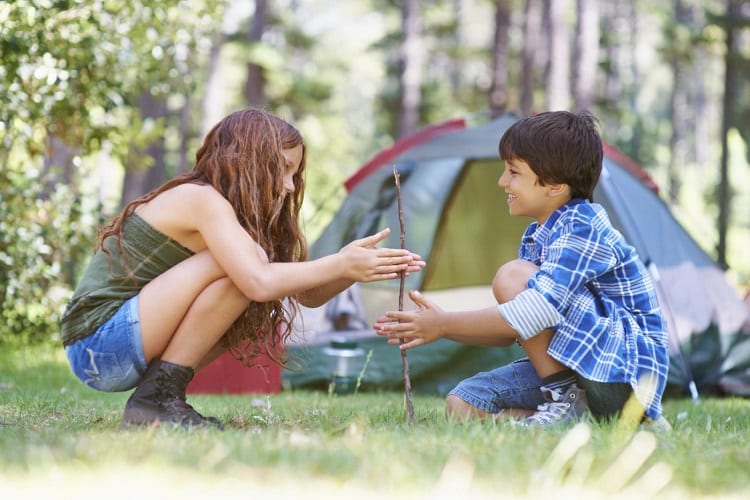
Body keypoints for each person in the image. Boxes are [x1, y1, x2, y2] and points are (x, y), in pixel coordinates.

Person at [61, 108, 425, 429]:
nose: (287, 186)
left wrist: (350, 268)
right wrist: (338, 262)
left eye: (293, 175)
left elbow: (303, 293)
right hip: (97, 342)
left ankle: (157, 398)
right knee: (248, 274)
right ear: (248, 160)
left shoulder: (231, 218)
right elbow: (258, 282)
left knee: (253, 274)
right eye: (282, 169)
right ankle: (155, 401)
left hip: (115, 351)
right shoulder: (200, 200)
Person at [375, 111, 669, 427]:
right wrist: (439, 323)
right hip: (577, 365)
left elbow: (535, 311)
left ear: (554, 184)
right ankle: (574, 418)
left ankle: (570, 401)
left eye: (513, 172)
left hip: (621, 372)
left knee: (512, 276)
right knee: (462, 404)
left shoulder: (584, 227)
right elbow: (515, 329)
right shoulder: (538, 236)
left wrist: (444, 323)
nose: (502, 182)